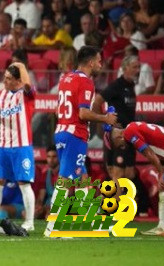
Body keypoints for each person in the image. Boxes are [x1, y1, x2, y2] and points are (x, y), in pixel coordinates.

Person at [45, 46, 117, 237]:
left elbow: (58, 110)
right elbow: (83, 113)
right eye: (99, 61)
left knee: (82, 179)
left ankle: (88, 220)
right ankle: (53, 227)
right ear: (91, 62)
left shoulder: (65, 78)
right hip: (74, 134)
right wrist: (105, 119)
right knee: (66, 180)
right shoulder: (86, 82)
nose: (101, 64)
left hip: (61, 130)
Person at [0, 63, 36, 232]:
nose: (5, 81)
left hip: (21, 146)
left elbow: (29, 86)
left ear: (18, 80)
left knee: (24, 183)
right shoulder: (1, 95)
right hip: (3, 146)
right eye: (4, 77)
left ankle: (29, 222)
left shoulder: (26, 95)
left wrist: (22, 67)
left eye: (9, 78)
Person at [92, 55, 139, 189]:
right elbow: (97, 101)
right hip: (117, 135)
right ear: (125, 68)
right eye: (135, 67)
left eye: (139, 67)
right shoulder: (117, 85)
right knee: (117, 175)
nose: (138, 70)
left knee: (130, 174)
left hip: (130, 135)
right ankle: (116, 209)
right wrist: (102, 121)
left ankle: (128, 205)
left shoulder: (131, 86)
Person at [34, 145, 59, 219]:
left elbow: (68, 195)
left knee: (49, 216)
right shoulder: (45, 174)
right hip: (48, 205)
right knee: (28, 214)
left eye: (54, 157)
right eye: (49, 156)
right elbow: (41, 196)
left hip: (63, 204)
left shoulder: (65, 174)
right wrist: (39, 206)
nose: (51, 159)